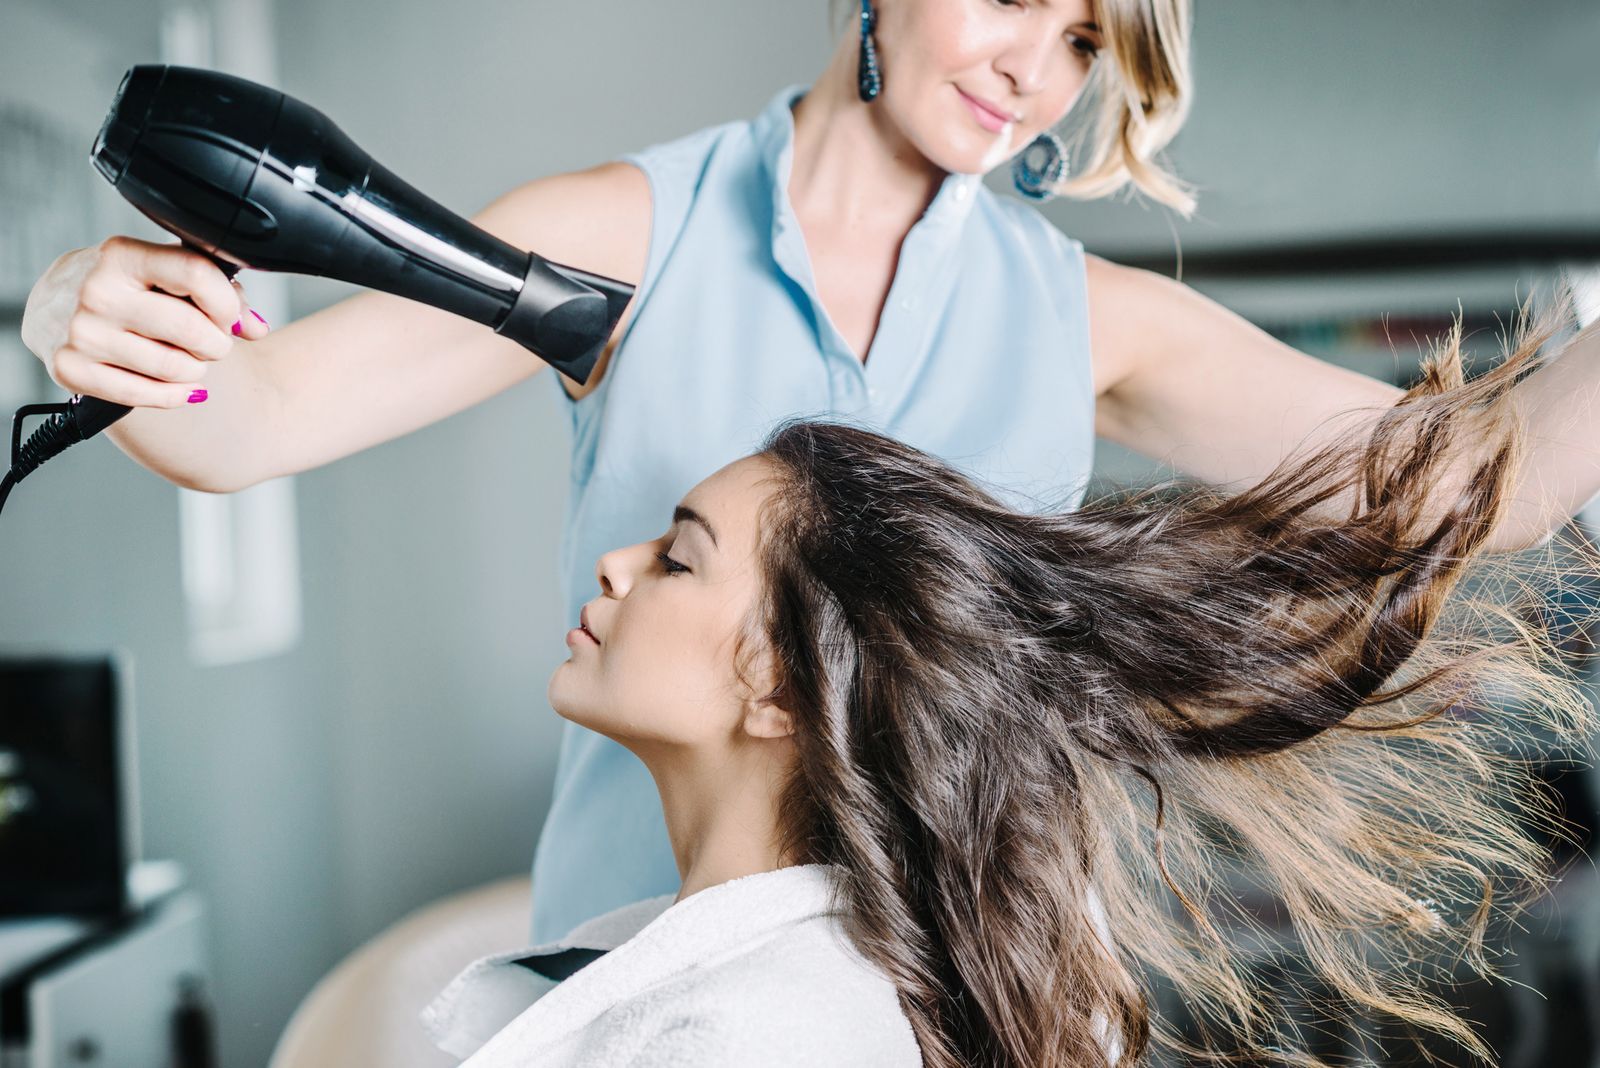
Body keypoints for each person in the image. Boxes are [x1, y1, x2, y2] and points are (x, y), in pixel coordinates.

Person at [20, 1, 1600, 943]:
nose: (1037, 72)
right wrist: (67, 313)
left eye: (1084, 37)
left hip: (970, 979)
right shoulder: (624, 239)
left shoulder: (1092, 320)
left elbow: (1484, 484)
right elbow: (246, 419)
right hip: (638, 961)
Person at [422, 316, 1595, 1068]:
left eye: (679, 557)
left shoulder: (747, 1035)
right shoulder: (771, 988)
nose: (616, 564)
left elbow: (1491, 476)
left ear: (781, 687)